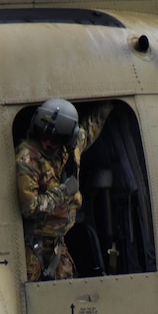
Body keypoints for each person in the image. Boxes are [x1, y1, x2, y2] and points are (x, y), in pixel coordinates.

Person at [16, 98, 113, 281]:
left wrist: (109, 103)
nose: (46, 144)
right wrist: (62, 192)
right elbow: (30, 207)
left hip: (58, 243)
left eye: (53, 141)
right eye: (42, 137)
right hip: (33, 245)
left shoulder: (70, 146)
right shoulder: (28, 159)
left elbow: (92, 126)